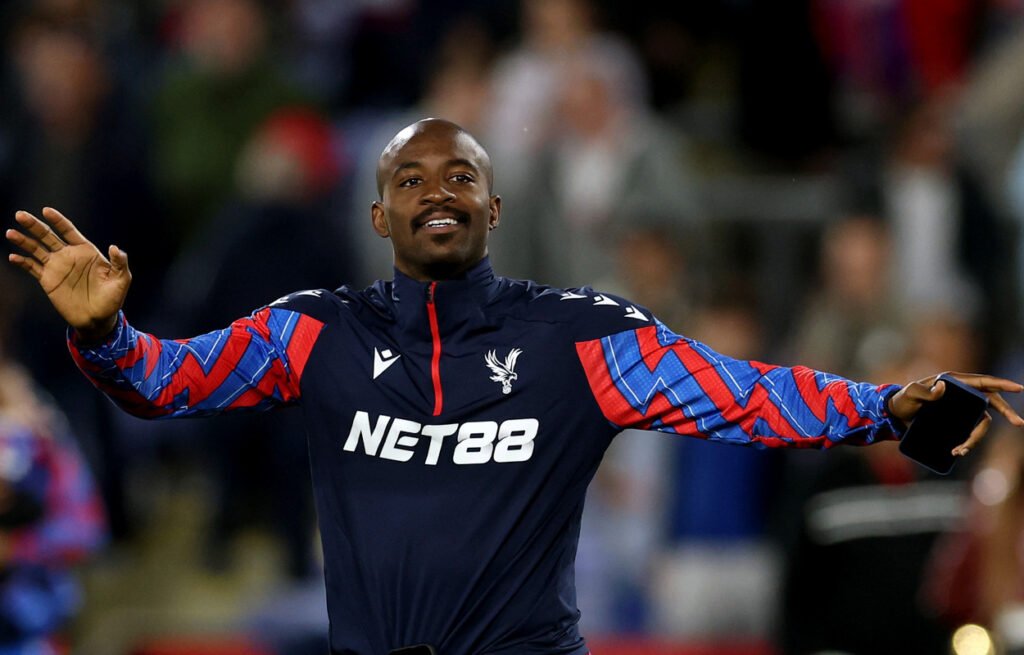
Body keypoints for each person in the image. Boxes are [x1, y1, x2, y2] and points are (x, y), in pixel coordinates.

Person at [6, 118, 1024, 655]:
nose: (436, 191)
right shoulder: (311, 331)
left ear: (493, 208)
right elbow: (164, 384)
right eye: (410, 179)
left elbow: (739, 393)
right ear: (378, 217)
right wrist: (104, 335)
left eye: (459, 176)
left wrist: (878, 407)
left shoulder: (582, 338)